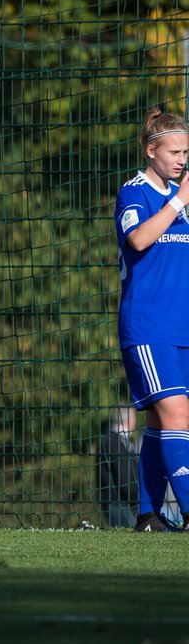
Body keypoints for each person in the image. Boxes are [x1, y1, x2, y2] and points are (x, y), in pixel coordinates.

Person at [115, 107, 189, 533]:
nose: (182, 159)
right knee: (178, 414)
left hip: (182, 327)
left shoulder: (182, 198)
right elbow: (139, 238)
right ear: (151, 150)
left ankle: (149, 515)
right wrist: (179, 199)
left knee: (162, 422)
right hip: (148, 325)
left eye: (186, 152)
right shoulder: (135, 191)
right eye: (174, 152)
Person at [97, 405, 139, 528]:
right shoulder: (113, 442)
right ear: (129, 420)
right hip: (119, 504)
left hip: (121, 503)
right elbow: (124, 477)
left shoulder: (117, 440)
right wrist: (139, 498)